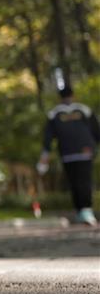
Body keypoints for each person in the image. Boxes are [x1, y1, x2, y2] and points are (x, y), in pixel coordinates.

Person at [38, 86, 99, 226]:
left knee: (79, 182)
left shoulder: (60, 112)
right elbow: (96, 132)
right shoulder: (77, 110)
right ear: (73, 95)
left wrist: (44, 157)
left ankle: (85, 211)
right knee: (80, 182)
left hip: (76, 152)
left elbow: (48, 138)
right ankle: (83, 211)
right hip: (77, 152)